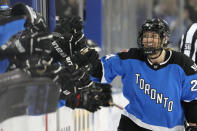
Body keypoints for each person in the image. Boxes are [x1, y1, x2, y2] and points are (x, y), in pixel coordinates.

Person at [71, 18, 197, 131]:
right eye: (146, 36)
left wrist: (193, 123)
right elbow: (102, 70)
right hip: (133, 123)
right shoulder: (131, 57)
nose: (149, 40)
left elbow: (192, 100)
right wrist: (86, 64)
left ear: (164, 39)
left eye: (154, 36)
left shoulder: (183, 65)